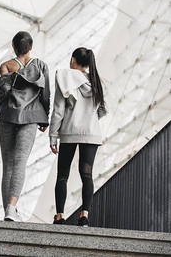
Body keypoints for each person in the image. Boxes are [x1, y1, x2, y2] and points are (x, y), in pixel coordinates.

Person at [0, 31, 50, 221]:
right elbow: (46, 94)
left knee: (8, 166)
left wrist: (3, 105)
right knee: (20, 162)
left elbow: (2, 92)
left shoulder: (6, 66)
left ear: (14, 47)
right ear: (31, 47)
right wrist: (45, 118)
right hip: (32, 117)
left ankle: (7, 212)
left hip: (8, 116)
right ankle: (12, 207)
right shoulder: (41, 67)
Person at [49, 47, 107, 227]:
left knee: (62, 175)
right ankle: (85, 215)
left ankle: (60, 216)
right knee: (87, 175)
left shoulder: (65, 77)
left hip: (69, 132)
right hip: (92, 133)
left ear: (73, 60)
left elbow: (58, 110)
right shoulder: (97, 81)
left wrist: (53, 136)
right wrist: (88, 118)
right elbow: (103, 109)